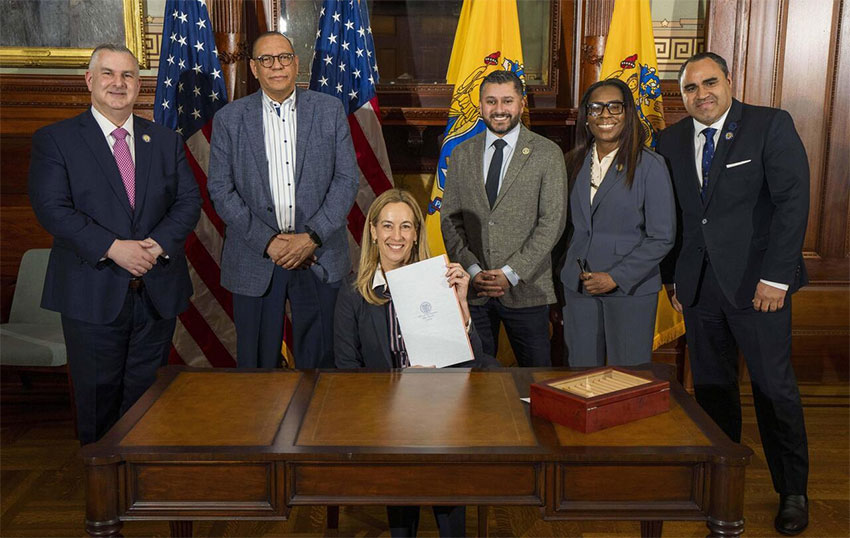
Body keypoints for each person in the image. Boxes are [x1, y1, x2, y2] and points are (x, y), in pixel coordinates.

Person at [657, 52, 810, 535]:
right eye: (689, 89)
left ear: (729, 81)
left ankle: (793, 492)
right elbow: (675, 217)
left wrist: (777, 277)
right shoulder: (671, 139)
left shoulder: (769, 125)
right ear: (681, 97)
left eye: (709, 83)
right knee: (713, 394)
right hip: (699, 290)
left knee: (773, 390)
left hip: (759, 287)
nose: (701, 94)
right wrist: (673, 278)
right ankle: (723, 491)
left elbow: (792, 203)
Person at [28, 44, 202, 445]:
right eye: (108, 74)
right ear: (90, 80)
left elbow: (188, 201)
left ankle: (137, 495)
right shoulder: (56, 140)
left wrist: (156, 245)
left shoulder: (164, 140)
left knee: (146, 402)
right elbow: (53, 210)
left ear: (139, 85)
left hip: (156, 291)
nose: (117, 84)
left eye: (127, 76)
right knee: (97, 401)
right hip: (91, 291)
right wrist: (113, 248)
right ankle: (104, 501)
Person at [335, 189, 495, 537]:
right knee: (403, 493)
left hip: (444, 412)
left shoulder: (439, 282)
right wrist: (401, 384)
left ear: (417, 234)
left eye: (406, 226)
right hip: (386, 416)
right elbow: (347, 374)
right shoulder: (352, 295)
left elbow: (477, 364)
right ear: (373, 232)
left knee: (449, 500)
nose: (397, 236)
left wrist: (463, 307)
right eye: (388, 226)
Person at [208, 31, 358, 369]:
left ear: (296, 63)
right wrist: (269, 243)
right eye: (267, 59)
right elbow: (221, 190)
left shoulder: (329, 111)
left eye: (284, 57)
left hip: (318, 255)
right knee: (257, 369)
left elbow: (347, 180)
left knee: (321, 367)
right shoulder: (230, 120)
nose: (277, 66)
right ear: (254, 68)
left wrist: (312, 236)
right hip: (254, 257)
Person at [440, 70, 567, 367]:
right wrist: (472, 269)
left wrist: (510, 273)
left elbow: (553, 222)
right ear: (481, 105)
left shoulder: (547, 154)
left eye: (507, 101)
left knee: (535, 379)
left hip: (527, 289)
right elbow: (450, 219)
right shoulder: (461, 154)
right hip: (475, 291)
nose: (499, 109)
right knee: (476, 382)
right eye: (491, 101)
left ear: (521, 104)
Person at [561, 79, 675, 366]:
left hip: (630, 289)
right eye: (596, 108)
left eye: (615, 107)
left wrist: (615, 277)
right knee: (582, 375)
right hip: (579, 288)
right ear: (586, 117)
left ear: (628, 114)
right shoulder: (571, 162)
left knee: (627, 379)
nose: (605, 115)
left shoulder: (650, 165)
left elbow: (662, 236)